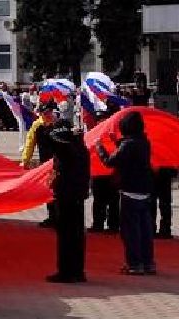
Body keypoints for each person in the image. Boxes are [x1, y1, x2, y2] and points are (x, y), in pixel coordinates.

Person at [96, 112, 156, 274]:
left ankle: (134, 264)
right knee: (145, 230)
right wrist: (117, 142)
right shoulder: (144, 142)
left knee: (131, 231)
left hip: (130, 191)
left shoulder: (128, 144)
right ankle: (148, 262)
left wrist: (99, 147)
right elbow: (128, 154)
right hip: (145, 190)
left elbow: (110, 162)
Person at [46, 123, 90, 282]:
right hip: (78, 196)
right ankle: (77, 271)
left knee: (66, 236)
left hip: (66, 197)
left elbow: (53, 140)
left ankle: (66, 272)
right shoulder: (80, 148)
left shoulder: (66, 150)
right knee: (77, 234)